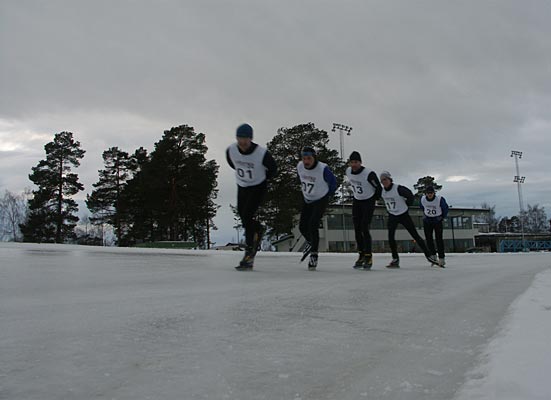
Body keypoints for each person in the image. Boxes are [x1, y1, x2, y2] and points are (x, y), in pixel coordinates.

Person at [226, 123, 277, 270]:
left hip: (258, 187)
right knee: (243, 217)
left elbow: (273, 169)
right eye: (240, 138)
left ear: (251, 139)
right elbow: (232, 163)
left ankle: (249, 254)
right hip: (242, 186)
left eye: (245, 139)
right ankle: (258, 229)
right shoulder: (231, 150)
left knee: (247, 216)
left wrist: (261, 177)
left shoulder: (261, 153)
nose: (242, 142)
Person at [379, 171, 438, 268]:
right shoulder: (382, 191)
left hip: (403, 214)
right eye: (382, 180)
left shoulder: (398, 188)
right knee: (390, 237)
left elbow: (410, 195)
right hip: (392, 215)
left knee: (415, 235)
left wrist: (407, 204)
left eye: (385, 179)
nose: (384, 182)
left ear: (390, 179)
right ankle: (395, 259)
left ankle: (429, 255)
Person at [297, 146, 337, 270]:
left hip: (320, 199)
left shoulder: (323, 168)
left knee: (313, 224)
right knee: (302, 226)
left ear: (314, 158)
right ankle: (311, 243)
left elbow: (334, 183)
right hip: (308, 199)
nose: (306, 161)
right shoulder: (299, 166)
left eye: (309, 158)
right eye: (304, 158)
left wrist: (327, 194)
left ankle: (314, 254)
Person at [345, 151, 382, 270]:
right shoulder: (348, 171)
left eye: (356, 162)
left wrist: (374, 200)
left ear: (360, 162)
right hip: (357, 201)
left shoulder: (369, 173)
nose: (354, 165)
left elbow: (378, 188)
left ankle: (368, 256)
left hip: (368, 201)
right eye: (352, 162)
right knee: (357, 229)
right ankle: (361, 254)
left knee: (364, 227)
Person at [420, 186, 449, 267]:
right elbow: (422, 207)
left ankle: (441, 258)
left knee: (439, 239)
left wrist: (442, 217)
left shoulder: (439, 199)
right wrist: (426, 215)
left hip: (437, 220)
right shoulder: (422, 199)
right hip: (427, 221)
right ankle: (433, 256)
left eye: (431, 193)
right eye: (428, 193)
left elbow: (445, 209)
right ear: (426, 193)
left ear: (434, 193)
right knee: (428, 239)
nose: (429, 195)